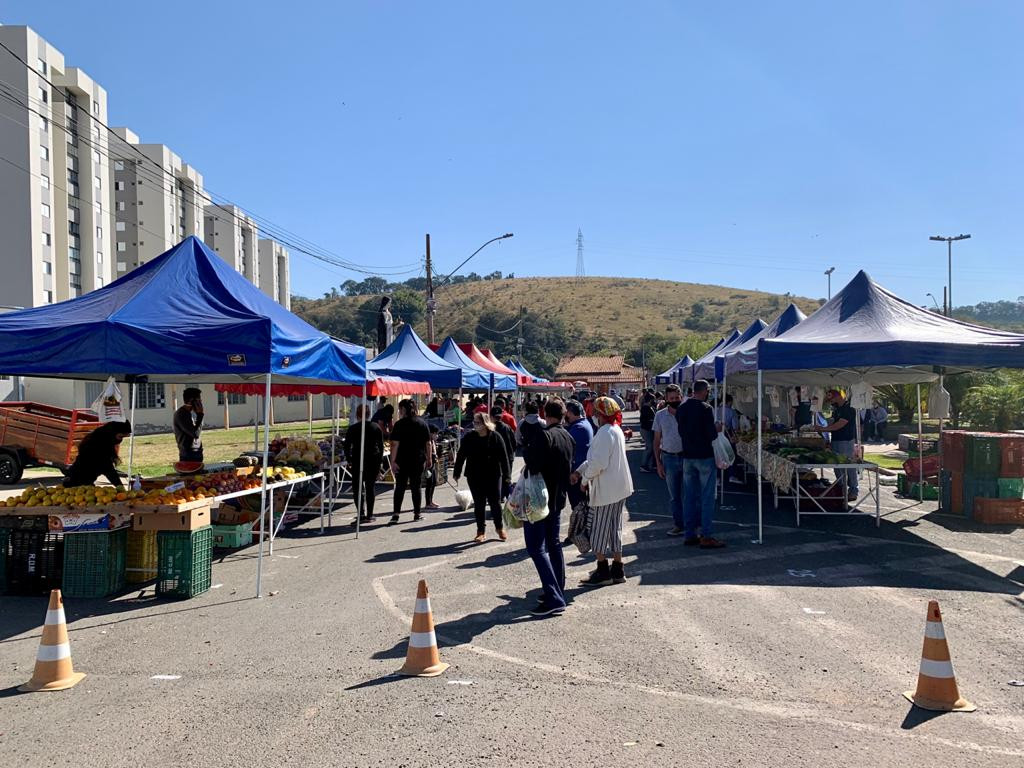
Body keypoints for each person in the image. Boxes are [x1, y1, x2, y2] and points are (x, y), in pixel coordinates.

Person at [573, 397, 634, 586]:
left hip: (606, 490)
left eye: (596, 412)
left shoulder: (605, 433)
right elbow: (595, 459)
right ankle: (617, 568)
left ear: (601, 414)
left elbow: (597, 463)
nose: (594, 416)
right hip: (619, 488)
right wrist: (580, 471)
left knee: (598, 530)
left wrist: (584, 479)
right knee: (615, 528)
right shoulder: (615, 430)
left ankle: (603, 571)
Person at [523, 399, 575, 617]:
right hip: (558, 497)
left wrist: (528, 448)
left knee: (536, 547)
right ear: (564, 414)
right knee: (553, 544)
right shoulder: (568, 436)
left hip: (540, 498)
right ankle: (556, 589)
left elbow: (533, 464)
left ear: (546, 413)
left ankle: (554, 597)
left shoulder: (545, 436)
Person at [676, 379, 726, 548]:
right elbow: (711, 434)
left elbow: (681, 431)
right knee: (706, 497)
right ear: (704, 391)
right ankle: (706, 534)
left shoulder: (682, 408)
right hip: (704, 456)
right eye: (708, 391)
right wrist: (717, 428)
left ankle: (690, 534)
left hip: (688, 456)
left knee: (689, 497)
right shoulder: (706, 409)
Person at [453, 413, 511, 542]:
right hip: (474, 475)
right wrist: (456, 472)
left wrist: (507, 475)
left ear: (485, 423)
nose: (475, 425)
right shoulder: (469, 437)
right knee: (479, 504)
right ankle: (481, 531)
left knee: (495, 503)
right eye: (474, 422)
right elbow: (461, 455)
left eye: (478, 422)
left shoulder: (495, 437)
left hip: (494, 474)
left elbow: (504, 457)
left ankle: (499, 527)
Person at [388, 399, 432, 525]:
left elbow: (395, 444)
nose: (399, 411)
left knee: (400, 487)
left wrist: (393, 461)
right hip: (418, 459)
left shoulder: (399, 424)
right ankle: (417, 513)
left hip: (402, 459)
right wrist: (429, 458)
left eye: (400, 409)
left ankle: (396, 514)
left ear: (403, 410)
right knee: (416, 487)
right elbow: (428, 443)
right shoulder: (422, 423)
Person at [654, 385, 687, 537]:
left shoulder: (688, 413)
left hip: (687, 457)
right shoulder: (660, 416)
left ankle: (692, 523)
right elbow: (656, 441)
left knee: (690, 493)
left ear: (681, 397)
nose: (674, 401)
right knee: (675, 496)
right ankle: (678, 524)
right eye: (671, 398)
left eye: (676, 398)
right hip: (668, 458)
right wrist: (658, 463)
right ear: (666, 399)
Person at [814, 388, 859, 500]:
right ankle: (841, 487)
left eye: (832, 399)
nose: (832, 403)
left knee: (848, 465)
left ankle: (853, 490)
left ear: (838, 396)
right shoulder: (837, 409)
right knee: (837, 466)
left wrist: (824, 429)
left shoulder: (849, 409)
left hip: (846, 441)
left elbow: (839, 424)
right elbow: (833, 421)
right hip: (836, 439)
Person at [344, 405, 384, 522]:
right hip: (373, 460)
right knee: (370, 488)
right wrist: (380, 463)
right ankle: (370, 515)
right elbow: (381, 447)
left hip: (357, 460)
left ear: (357, 415)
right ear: (368, 414)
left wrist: (349, 459)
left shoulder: (353, 429)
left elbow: (347, 446)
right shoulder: (375, 427)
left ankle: (361, 513)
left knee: (357, 489)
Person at [63, 420, 132, 489]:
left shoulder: (101, 439)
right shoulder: (97, 444)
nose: (120, 441)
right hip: (76, 482)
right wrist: (120, 487)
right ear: (112, 433)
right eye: (120, 437)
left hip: (83, 482)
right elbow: (108, 468)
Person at [564, 399, 593, 513]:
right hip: (580, 470)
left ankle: (581, 528)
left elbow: (567, 444)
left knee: (578, 506)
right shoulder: (583, 424)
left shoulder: (578, 428)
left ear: (570, 413)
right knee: (581, 504)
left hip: (577, 473)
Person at [490, 405, 516, 494]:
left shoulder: (490, 429)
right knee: (507, 477)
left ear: (491, 417)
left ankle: (498, 496)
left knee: (496, 478)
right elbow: (514, 442)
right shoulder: (507, 427)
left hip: (495, 459)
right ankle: (504, 496)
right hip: (508, 457)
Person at [173, 387, 204, 462]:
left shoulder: (192, 412)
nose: (201, 402)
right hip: (188, 456)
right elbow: (195, 434)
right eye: (199, 400)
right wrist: (200, 415)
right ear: (191, 401)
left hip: (197, 453)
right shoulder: (181, 414)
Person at [638, 393, 657, 473]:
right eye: (653, 400)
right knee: (649, 448)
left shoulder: (648, 407)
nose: (654, 401)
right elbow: (645, 420)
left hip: (648, 429)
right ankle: (643, 465)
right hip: (646, 430)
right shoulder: (646, 408)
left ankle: (652, 464)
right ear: (650, 400)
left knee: (651, 447)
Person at [424, 424, 441, 509]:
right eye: (435, 433)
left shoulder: (433, 441)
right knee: (429, 483)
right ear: (431, 433)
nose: (436, 435)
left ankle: (430, 501)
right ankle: (428, 503)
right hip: (428, 464)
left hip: (432, 463)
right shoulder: (427, 441)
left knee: (433, 482)